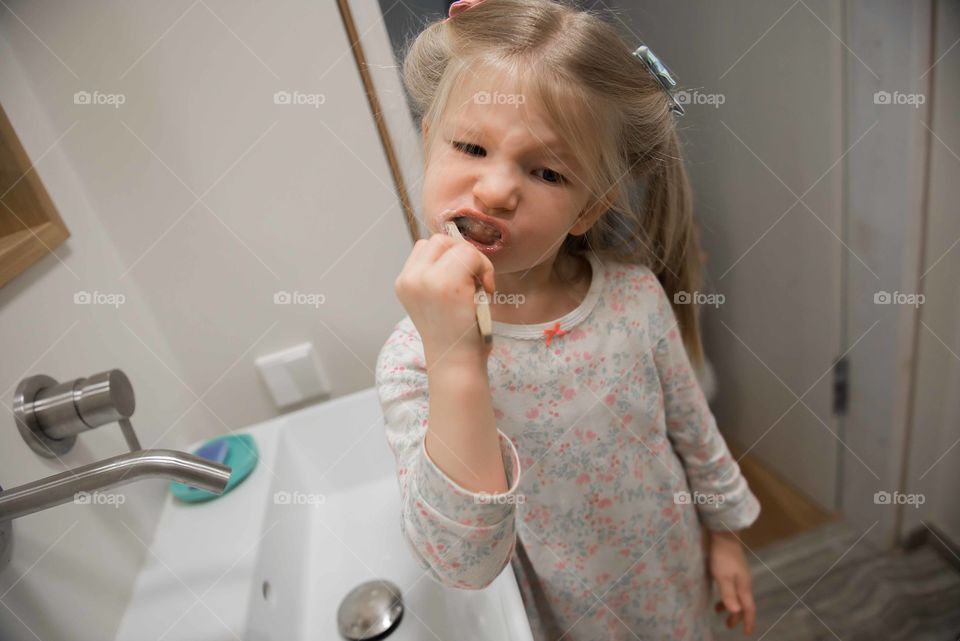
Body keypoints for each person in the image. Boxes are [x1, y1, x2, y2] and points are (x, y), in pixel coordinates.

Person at [375, 1, 761, 638]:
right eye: (471, 145)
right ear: (428, 144)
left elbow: (694, 432)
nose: (497, 190)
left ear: (589, 208)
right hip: (561, 617)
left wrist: (724, 537)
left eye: (547, 171)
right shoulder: (413, 359)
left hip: (669, 576)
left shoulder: (633, 301)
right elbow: (463, 563)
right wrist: (455, 356)